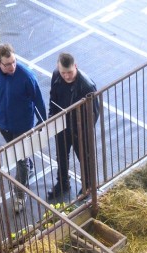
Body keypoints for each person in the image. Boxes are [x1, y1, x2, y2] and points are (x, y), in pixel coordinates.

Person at [0, 43, 47, 205]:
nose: (12, 66)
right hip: (3, 124)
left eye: (14, 62)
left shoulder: (26, 76)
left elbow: (38, 99)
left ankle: (19, 194)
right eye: (7, 64)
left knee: (20, 160)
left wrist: (42, 121)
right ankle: (29, 165)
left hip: (23, 126)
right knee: (19, 154)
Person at [47, 52, 100, 200]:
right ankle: (63, 183)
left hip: (80, 129)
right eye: (63, 73)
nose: (67, 76)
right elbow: (53, 98)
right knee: (61, 156)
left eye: (70, 72)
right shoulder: (56, 75)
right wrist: (52, 117)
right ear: (58, 69)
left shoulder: (87, 85)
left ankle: (88, 185)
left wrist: (83, 131)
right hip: (62, 125)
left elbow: (94, 114)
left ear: (75, 66)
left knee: (84, 158)